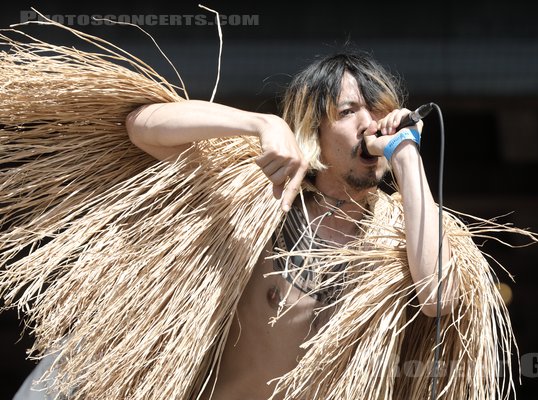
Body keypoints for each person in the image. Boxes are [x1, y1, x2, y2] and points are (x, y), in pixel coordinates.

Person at [124, 50, 455, 400]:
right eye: (348, 112)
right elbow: (142, 126)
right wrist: (265, 124)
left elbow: (439, 297)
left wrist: (406, 152)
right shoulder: (260, 195)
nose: (369, 124)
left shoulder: (399, 234)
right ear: (314, 129)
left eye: (378, 111)